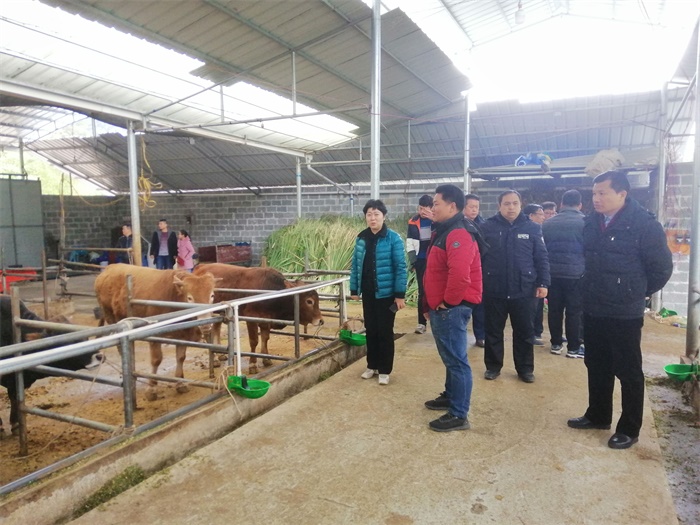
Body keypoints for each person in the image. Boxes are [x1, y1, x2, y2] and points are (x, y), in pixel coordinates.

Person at [567, 171, 672, 450]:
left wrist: (635, 291)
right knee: (596, 363)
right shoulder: (591, 222)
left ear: (622, 194)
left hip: (624, 312)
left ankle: (628, 428)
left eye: (602, 193)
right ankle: (598, 415)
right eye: (594, 193)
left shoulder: (644, 225)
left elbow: (661, 268)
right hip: (594, 306)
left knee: (628, 370)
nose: (596, 198)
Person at [423, 184, 482, 432]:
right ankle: (450, 395)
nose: (432, 208)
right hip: (444, 307)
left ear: (452, 206)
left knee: (457, 360)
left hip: (452, 309)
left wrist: (448, 302)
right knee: (451, 356)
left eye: (436, 203)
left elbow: (460, 275)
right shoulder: (446, 230)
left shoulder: (458, 233)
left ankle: (459, 414)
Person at [480, 190, 550, 383]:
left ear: (521, 205)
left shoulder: (532, 228)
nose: (511, 207)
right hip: (494, 288)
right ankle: (493, 367)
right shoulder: (487, 227)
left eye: (515, 203)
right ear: (499, 206)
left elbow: (541, 257)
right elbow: (478, 258)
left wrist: (543, 282)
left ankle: (525, 369)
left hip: (524, 289)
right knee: (493, 330)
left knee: (525, 332)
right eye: (506, 203)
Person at [350, 199, 407, 386]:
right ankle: (371, 365)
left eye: (376, 214)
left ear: (384, 216)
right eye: (369, 214)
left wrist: (400, 295)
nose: (372, 218)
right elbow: (355, 266)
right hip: (368, 293)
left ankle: (384, 369)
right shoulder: (361, 238)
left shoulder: (393, 238)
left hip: (386, 295)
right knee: (371, 330)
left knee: (384, 332)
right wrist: (354, 289)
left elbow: (400, 267)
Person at [541, 190, 585, 359]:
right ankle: (573, 347)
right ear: (580, 205)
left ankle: (556, 344)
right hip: (576, 274)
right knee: (574, 311)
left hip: (552, 273)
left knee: (554, 310)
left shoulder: (548, 223)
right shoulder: (585, 223)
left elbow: (543, 249)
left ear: (561, 204)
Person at [406, 195, 433, 334]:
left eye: (425, 208)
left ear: (431, 208)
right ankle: (421, 323)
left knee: (435, 291)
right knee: (422, 291)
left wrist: (434, 219)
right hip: (420, 260)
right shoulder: (413, 221)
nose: (422, 211)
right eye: (420, 208)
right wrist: (413, 262)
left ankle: (436, 322)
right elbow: (409, 242)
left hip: (434, 261)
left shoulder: (438, 221)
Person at [463, 193, 486, 348]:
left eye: (476, 207)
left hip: (479, 270)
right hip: (462, 271)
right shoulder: (457, 225)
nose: (474, 210)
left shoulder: (483, 225)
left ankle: (480, 336)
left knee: (479, 305)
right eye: (471, 207)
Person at [523, 204, 546, 346]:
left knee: (538, 306)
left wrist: (543, 281)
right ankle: (532, 333)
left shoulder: (539, 229)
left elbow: (543, 257)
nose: (543, 217)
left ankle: (537, 332)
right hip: (528, 278)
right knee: (530, 310)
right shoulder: (528, 230)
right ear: (531, 216)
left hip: (538, 276)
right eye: (540, 214)